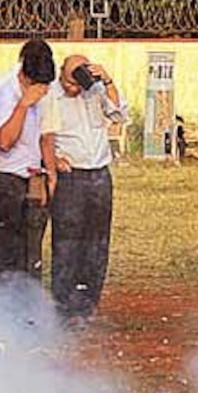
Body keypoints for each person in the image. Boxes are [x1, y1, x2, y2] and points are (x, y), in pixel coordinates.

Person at [43, 55, 127, 322]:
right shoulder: (50, 96)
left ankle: (88, 305)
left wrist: (107, 81)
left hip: (99, 174)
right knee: (67, 243)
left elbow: (119, 114)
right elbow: (40, 134)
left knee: (97, 242)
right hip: (71, 177)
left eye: (78, 81)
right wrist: (53, 160)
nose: (75, 87)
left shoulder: (95, 89)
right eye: (70, 80)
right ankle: (63, 305)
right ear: (61, 73)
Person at [0, 39, 58, 280]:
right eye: (39, 85)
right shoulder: (4, 93)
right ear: (25, 76)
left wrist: (49, 173)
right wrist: (23, 105)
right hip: (4, 181)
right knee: (4, 254)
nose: (44, 91)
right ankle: (1, 311)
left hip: (29, 178)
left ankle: (27, 309)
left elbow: (42, 136)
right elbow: (5, 141)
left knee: (29, 253)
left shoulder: (39, 89)